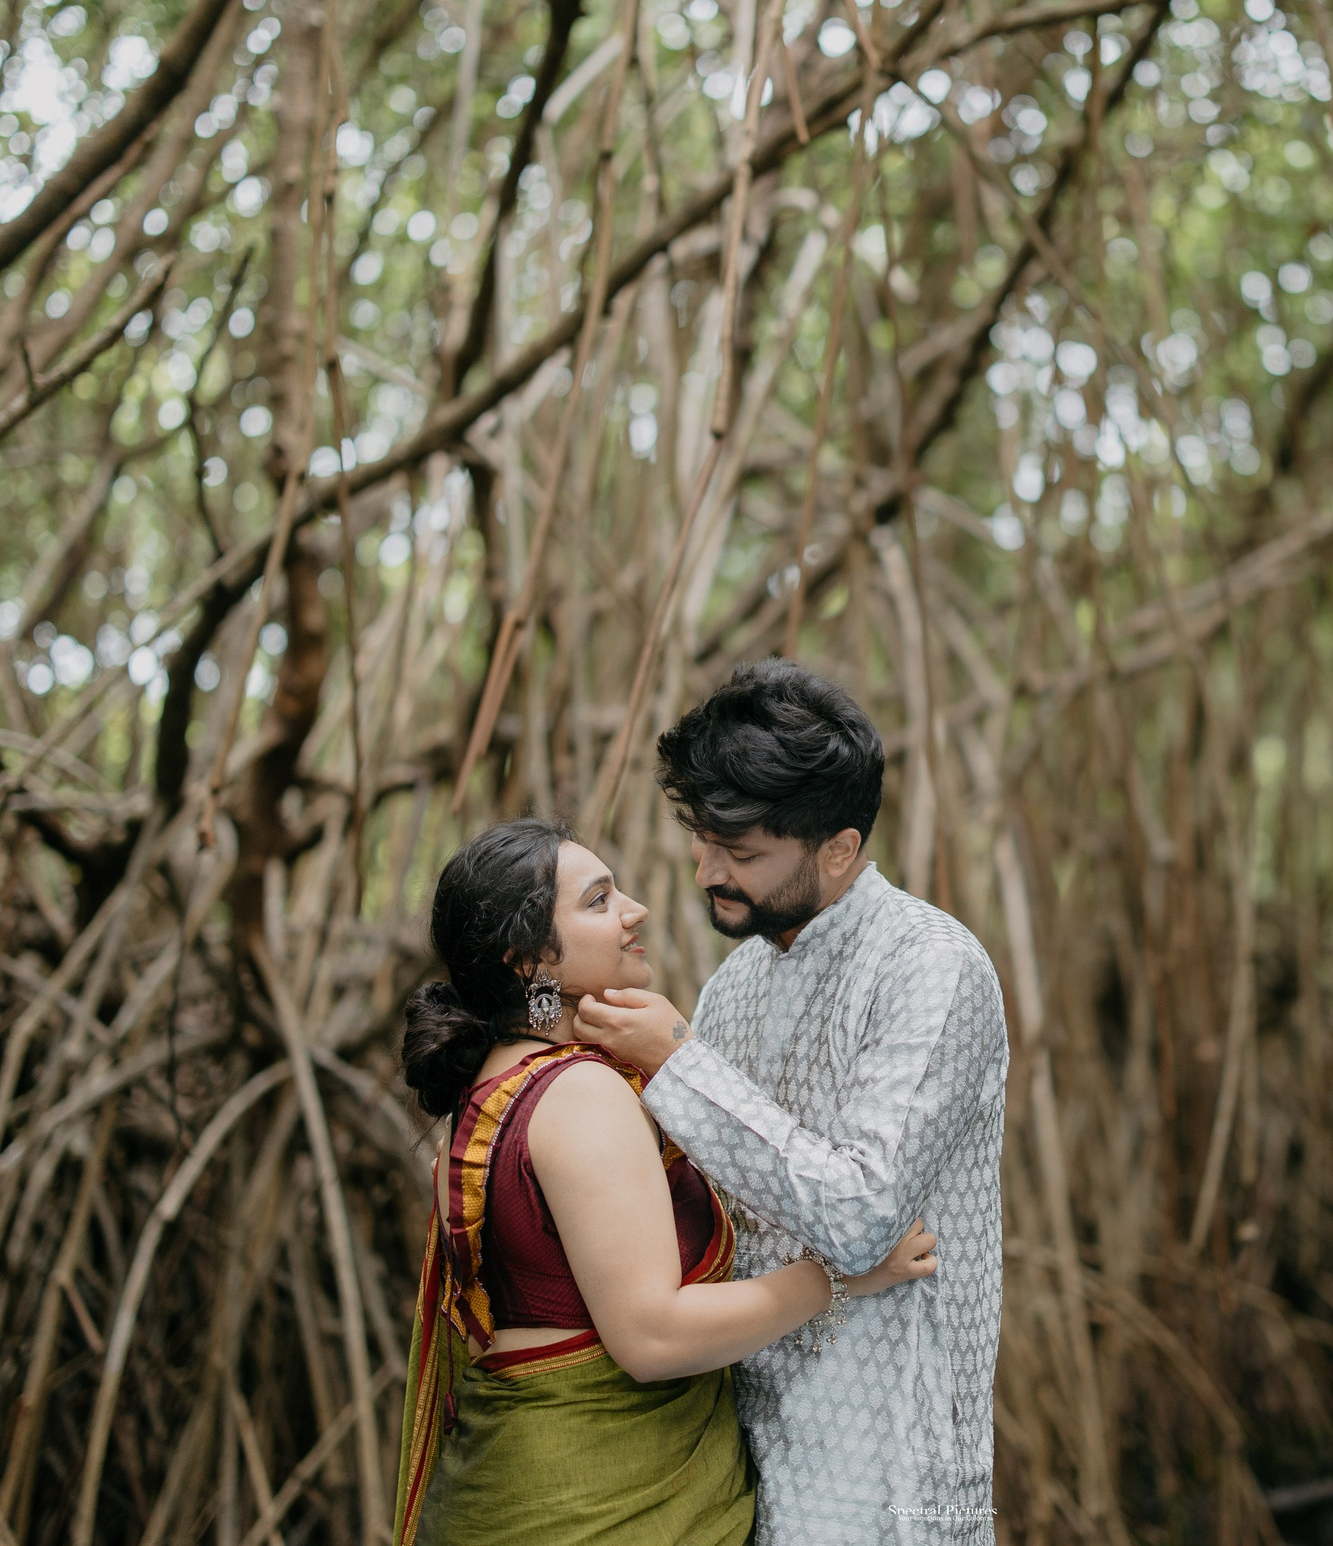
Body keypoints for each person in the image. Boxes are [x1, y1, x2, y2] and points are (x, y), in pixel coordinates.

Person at [392, 818, 938, 1546]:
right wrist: (839, 1276)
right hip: (598, 1507)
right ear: (528, 960)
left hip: (521, 1492)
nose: (635, 909)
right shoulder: (582, 1093)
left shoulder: (495, 1080)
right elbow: (652, 1334)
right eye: (597, 900)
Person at [576, 660, 1009, 1544]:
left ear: (839, 849)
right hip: (740, 1448)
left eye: (742, 853)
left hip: (892, 1458)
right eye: (703, 839)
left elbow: (859, 1215)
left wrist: (675, 1062)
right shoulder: (735, 982)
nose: (705, 871)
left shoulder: (931, 965)